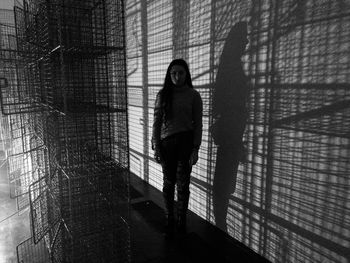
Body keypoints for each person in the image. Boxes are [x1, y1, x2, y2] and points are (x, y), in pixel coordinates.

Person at [152, 58, 203, 236]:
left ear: (186, 74)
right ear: (169, 74)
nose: (177, 76)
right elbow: (156, 123)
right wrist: (156, 146)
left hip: (186, 144)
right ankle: (169, 217)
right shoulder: (162, 95)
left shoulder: (193, 95)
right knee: (168, 182)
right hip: (167, 145)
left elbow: (198, 124)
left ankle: (181, 220)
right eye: (174, 73)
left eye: (181, 72)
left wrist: (196, 148)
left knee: (183, 184)